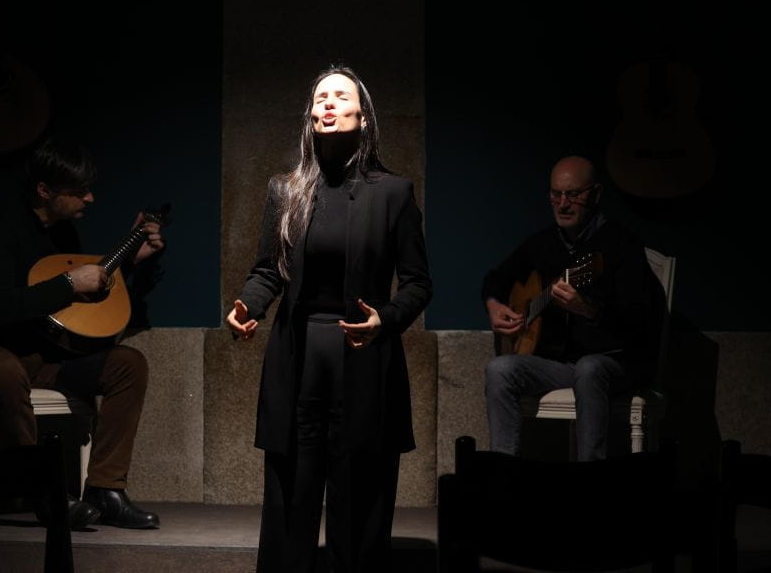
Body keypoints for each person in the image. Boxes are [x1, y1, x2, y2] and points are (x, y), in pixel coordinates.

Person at [226, 66, 431, 572]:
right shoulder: (285, 191)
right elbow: (268, 271)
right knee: (291, 490)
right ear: (310, 116)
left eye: (341, 96)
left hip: (363, 355)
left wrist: (384, 319)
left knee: (358, 489)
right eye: (320, 98)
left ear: (364, 116)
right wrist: (246, 306)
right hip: (298, 358)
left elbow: (418, 283)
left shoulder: (393, 193)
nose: (328, 104)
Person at [0, 136, 163, 529]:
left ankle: (105, 489)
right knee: (5, 369)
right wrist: (68, 284)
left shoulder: (62, 233)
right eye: (79, 192)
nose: (90, 199)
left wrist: (126, 264)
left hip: (41, 357)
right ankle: (44, 491)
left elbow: (75, 306)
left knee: (128, 364)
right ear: (44, 190)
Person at [482, 155, 666, 461]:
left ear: (595, 194)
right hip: (562, 365)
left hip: (616, 364)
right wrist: (494, 305)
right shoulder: (542, 243)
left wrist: (590, 310)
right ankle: (505, 476)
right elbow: (496, 278)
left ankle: (588, 485)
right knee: (500, 369)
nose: (563, 204)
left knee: (589, 367)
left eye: (574, 194)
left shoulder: (621, 245)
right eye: (556, 194)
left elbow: (641, 320)